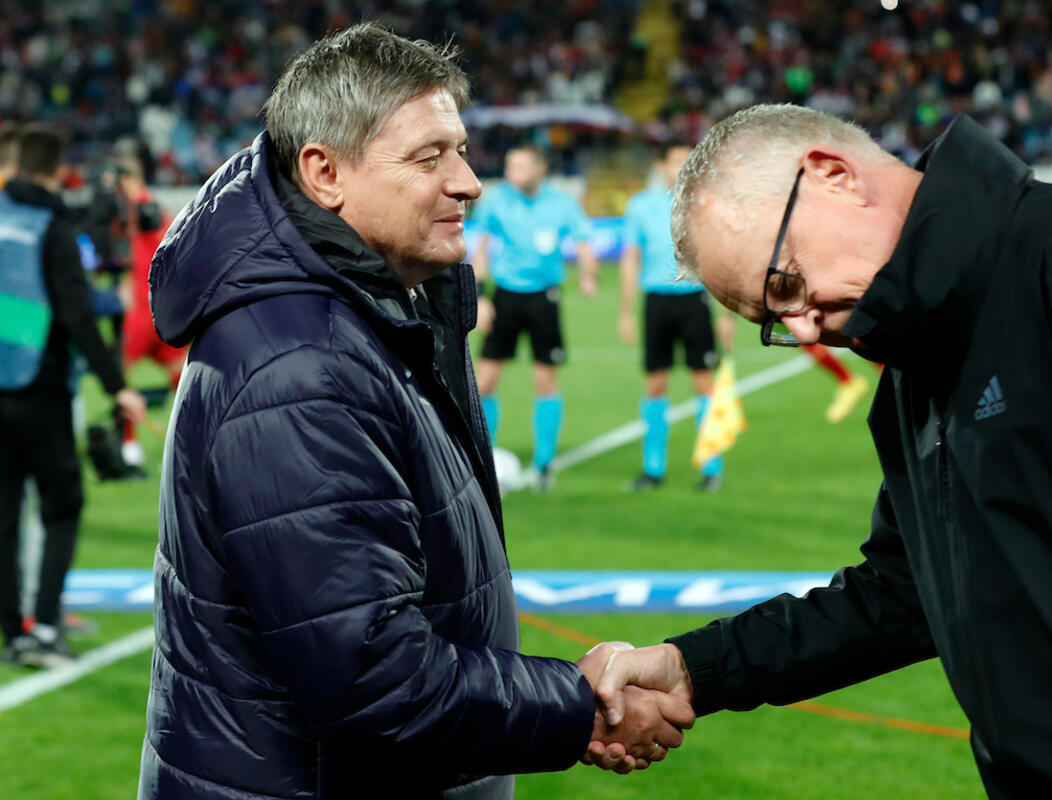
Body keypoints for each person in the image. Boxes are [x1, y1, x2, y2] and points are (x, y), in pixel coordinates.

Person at [138, 24, 690, 800]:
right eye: (430, 158)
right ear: (325, 174)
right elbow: (368, 674)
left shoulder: (372, 309)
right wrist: (579, 707)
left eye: (461, 151)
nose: (468, 182)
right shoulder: (300, 364)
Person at [582, 104, 1052, 797]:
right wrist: (693, 667)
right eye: (773, 321)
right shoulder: (914, 367)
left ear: (835, 175)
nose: (804, 330)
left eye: (785, 285)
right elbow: (903, 595)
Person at [0, 125, 146, 668]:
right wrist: (117, 385)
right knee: (62, 506)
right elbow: (76, 313)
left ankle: (13, 630)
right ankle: (44, 628)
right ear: (58, 171)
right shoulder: (53, 227)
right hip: (40, 384)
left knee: (6, 511)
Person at [471, 145, 600, 490]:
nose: (512, 172)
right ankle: (482, 457)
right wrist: (481, 297)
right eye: (510, 165)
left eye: (521, 166)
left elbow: (583, 243)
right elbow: (480, 249)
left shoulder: (562, 204)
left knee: (545, 380)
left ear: (540, 169)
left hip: (545, 298)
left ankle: (544, 463)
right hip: (505, 296)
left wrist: (589, 274)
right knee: (485, 381)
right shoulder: (497, 201)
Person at [618, 140, 731, 492]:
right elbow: (630, 258)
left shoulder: (707, 205)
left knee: (704, 383)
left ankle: (712, 467)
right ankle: (653, 469)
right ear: (661, 166)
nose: (682, 167)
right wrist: (626, 311)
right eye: (676, 161)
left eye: (688, 161)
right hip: (656, 301)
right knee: (655, 383)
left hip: (694, 299)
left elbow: (720, 258)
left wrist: (726, 313)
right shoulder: (640, 205)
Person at [115, 154, 183, 469]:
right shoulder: (142, 208)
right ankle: (193, 437)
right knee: (180, 374)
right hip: (159, 307)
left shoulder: (143, 206)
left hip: (143, 311)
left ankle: (127, 444)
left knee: (118, 376)